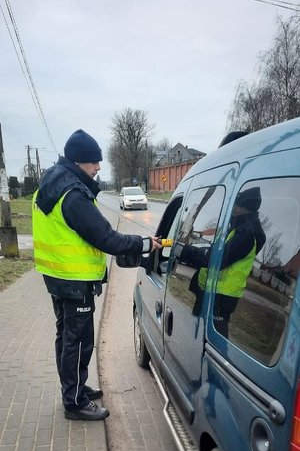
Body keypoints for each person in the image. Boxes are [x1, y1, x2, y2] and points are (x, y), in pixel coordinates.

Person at [32, 129, 160, 421]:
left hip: (57, 276)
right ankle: (75, 402)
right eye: (94, 162)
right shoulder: (72, 194)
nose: (98, 167)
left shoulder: (50, 186)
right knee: (78, 341)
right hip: (74, 280)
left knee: (66, 337)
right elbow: (107, 238)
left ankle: (74, 389)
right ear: (78, 162)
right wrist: (142, 243)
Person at [175, 186, 266, 333]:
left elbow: (215, 258)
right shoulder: (237, 227)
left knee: (214, 338)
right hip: (212, 292)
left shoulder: (246, 234)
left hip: (220, 297)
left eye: (237, 204)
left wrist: (182, 250)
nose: (233, 207)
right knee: (199, 334)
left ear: (245, 208)